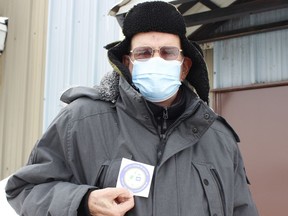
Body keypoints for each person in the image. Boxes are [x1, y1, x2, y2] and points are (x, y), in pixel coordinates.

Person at [6, 1, 259, 216]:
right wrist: (83, 202)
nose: (156, 59)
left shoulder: (218, 137)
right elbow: (25, 190)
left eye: (168, 53)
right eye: (144, 53)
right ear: (128, 63)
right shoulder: (80, 120)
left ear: (184, 66)